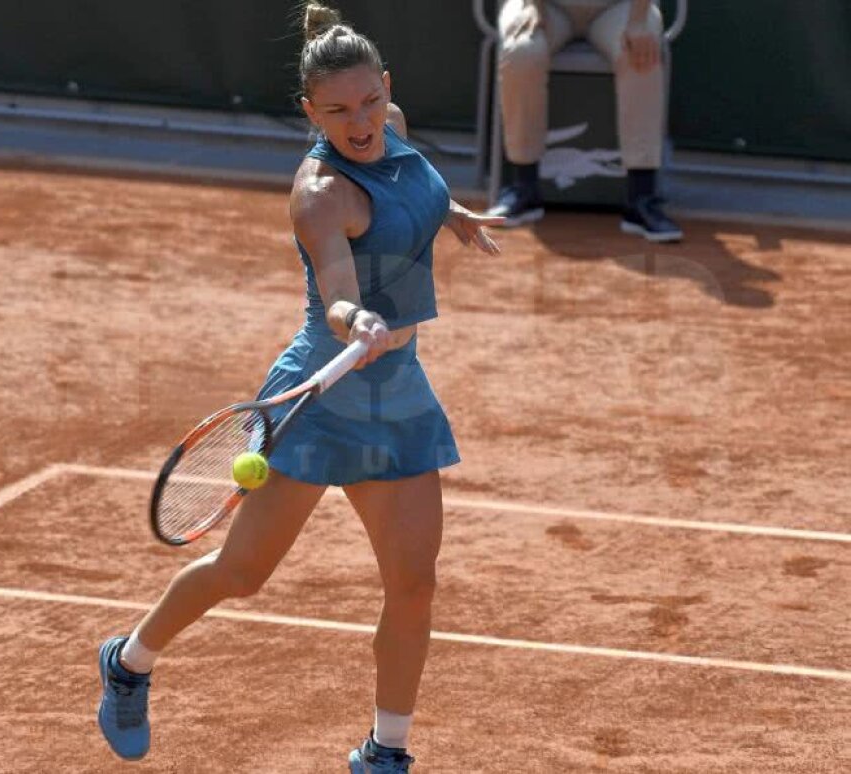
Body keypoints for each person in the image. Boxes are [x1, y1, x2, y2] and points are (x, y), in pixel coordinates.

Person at [96, 4, 503, 771]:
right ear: (309, 112)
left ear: (387, 88)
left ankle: (386, 752)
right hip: (324, 396)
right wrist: (357, 321)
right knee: (241, 575)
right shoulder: (319, 192)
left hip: (399, 395)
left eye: (371, 101)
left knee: (414, 583)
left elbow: (408, 183)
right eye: (339, 111)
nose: (361, 122)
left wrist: (451, 215)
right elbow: (336, 282)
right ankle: (129, 659)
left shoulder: (392, 129)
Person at [488, 0, 684, 242]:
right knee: (521, 52)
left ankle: (641, 198)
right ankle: (523, 187)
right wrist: (532, 5)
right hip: (547, 5)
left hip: (619, 7)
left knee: (641, 52)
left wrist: (638, 20)